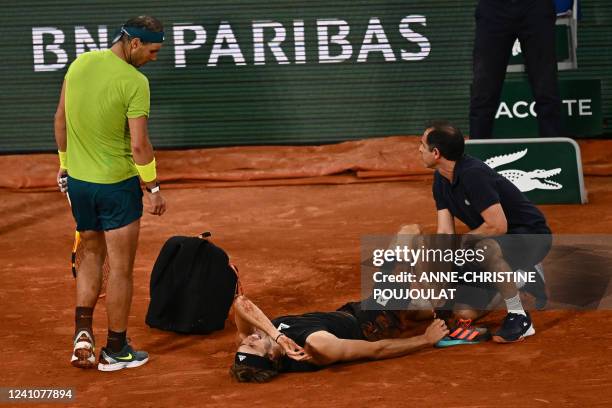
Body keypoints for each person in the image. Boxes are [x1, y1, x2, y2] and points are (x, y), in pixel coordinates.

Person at [54, 15, 167, 371]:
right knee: (120, 270)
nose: (154, 57)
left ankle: (82, 335)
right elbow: (139, 146)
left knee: (90, 253)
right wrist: (152, 188)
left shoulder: (80, 63)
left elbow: (60, 118)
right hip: (116, 187)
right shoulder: (136, 82)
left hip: (81, 185)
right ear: (133, 43)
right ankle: (116, 350)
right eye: (152, 50)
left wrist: (64, 164)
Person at [418, 121, 552, 343]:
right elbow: (444, 232)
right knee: (464, 312)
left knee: (483, 247)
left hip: (531, 236)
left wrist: (461, 248)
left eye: (422, 144)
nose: (419, 149)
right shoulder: (440, 179)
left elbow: (498, 226)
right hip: (496, 242)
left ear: (436, 153)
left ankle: (519, 316)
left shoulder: (474, 174)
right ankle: (519, 278)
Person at [230, 294, 449, 383]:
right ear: (270, 356)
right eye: (252, 346)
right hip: (374, 322)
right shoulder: (316, 346)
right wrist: (425, 339)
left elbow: (240, 302)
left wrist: (277, 336)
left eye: (243, 343)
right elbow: (376, 350)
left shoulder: (267, 336)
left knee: (439, 304)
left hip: (349, 311)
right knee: (407, 235)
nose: (248, 339)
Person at [469, 0, 562, 139]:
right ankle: (477, 154)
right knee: (483, 91)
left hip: (536, 7)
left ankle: (554, 153)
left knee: (546, 88)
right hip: (493, 9)